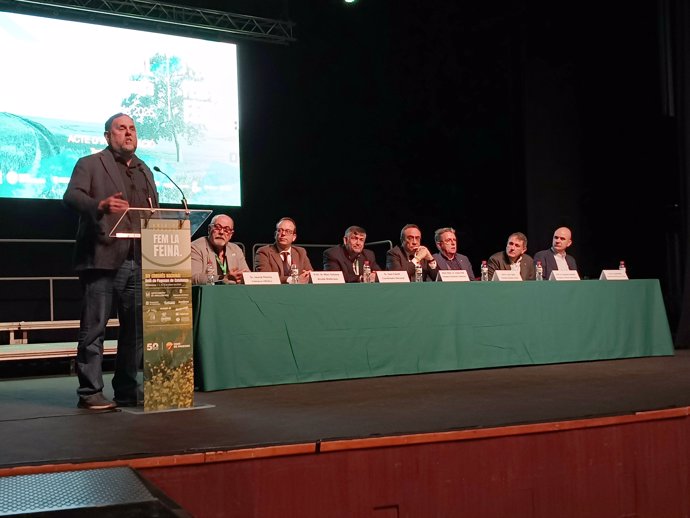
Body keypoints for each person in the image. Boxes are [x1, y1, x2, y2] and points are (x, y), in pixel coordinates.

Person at [63, 113, 159, 410]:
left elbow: (153, 210)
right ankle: (90, 392)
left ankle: (128, 389)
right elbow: (71, 196)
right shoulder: (90, 164)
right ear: (108, 136)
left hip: (138, 259)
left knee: (134, 332)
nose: (128, 133)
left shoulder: (145, 170)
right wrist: (98, 205)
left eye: (132, 129)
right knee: (94, 329)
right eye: (121, 128)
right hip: (102, 258)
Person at [191, 214, 249, 285]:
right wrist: (223, 278)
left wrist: (243, 277)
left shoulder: (236, 249)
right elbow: (194, 278)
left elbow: (247, 276)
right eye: (217, 227)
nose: (221, 232)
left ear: (231, 234)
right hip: (208, 294)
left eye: (226, 230)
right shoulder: (196, 247)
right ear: (209, 229)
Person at [254, 217, 313, 283]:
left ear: (294, 237)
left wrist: (308, 275)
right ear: (275, 234)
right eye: (280, 230)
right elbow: (266, 278)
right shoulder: (264, 252)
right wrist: (292, 280)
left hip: (299, 291)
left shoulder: (301, 252)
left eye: (288, 231)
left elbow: (310, 274)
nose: (283, 234)